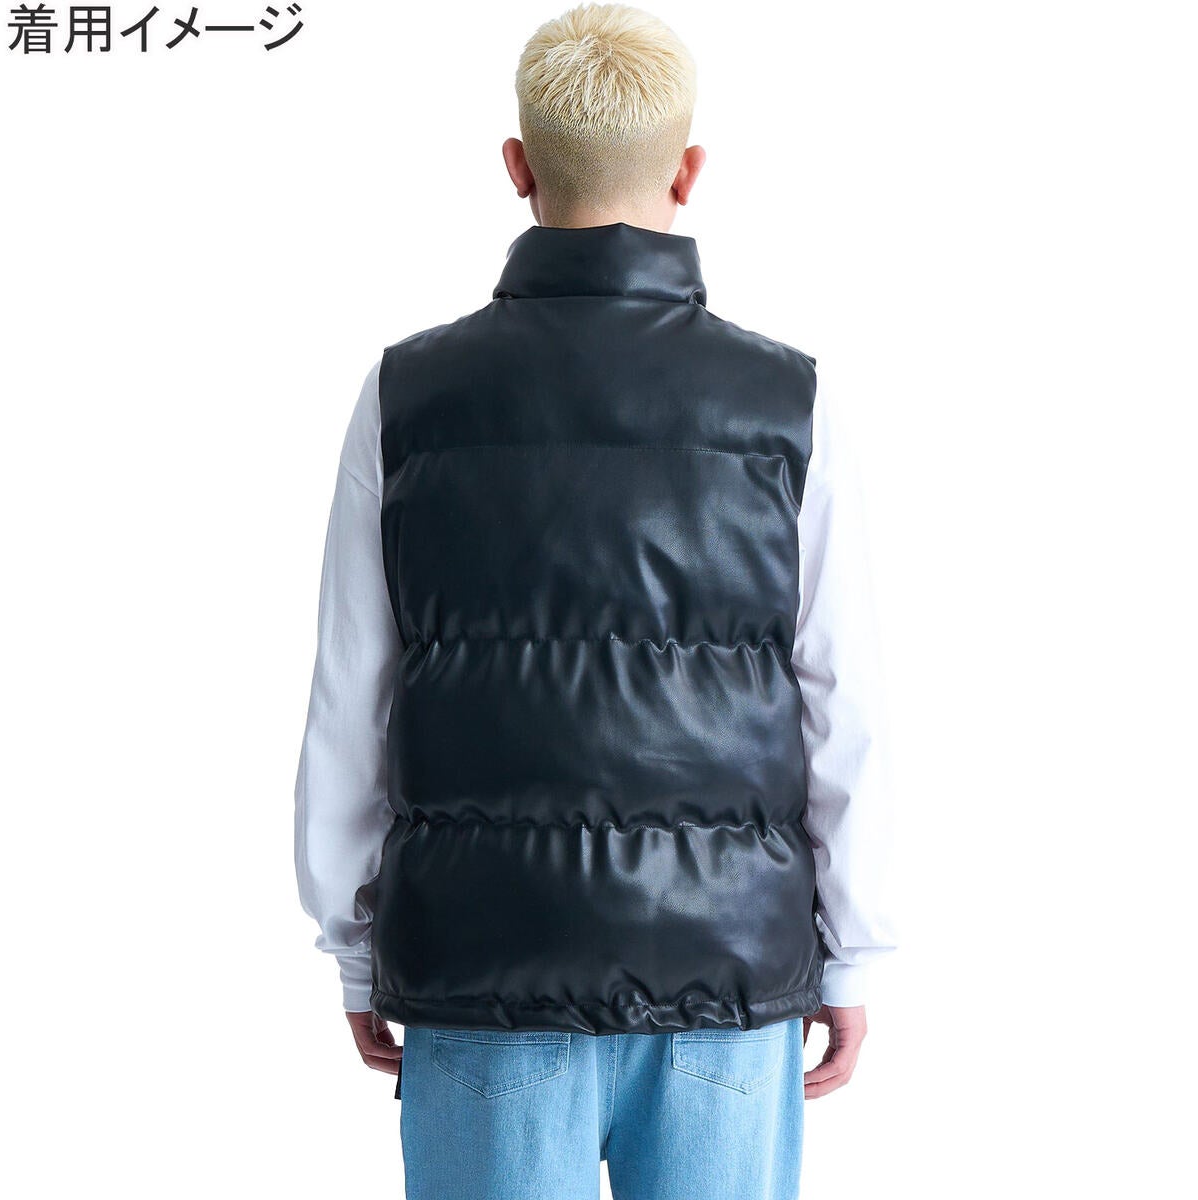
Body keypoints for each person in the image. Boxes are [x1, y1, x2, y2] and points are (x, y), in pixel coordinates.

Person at [293, 4, 897, 1197]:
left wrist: (354, 950)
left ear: (516, 166)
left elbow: (351, 693)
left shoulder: (408, 394)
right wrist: (856, 953)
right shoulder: (789, 401)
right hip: (727, 980)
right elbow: (842, 697)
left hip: (485, 972)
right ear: (689, 170)